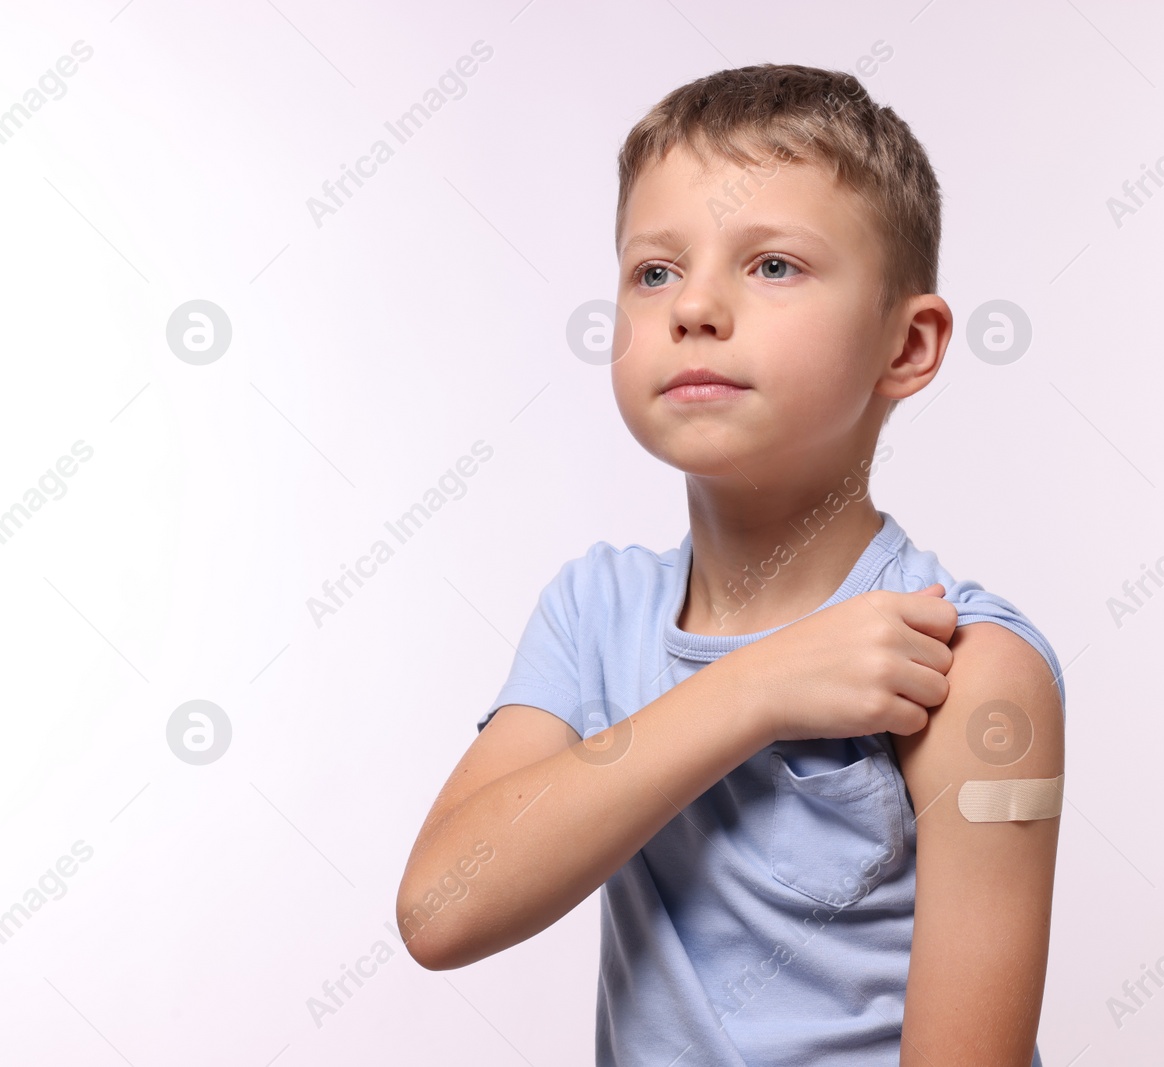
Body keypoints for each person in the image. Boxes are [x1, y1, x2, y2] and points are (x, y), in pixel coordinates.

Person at [396, 62, 1066, 1066]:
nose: (694, 306)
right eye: (654, 270)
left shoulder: (966, 670)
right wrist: (754, 688)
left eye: (773, 265)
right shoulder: (593, 612)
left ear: (908, 343)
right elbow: (440, 910)